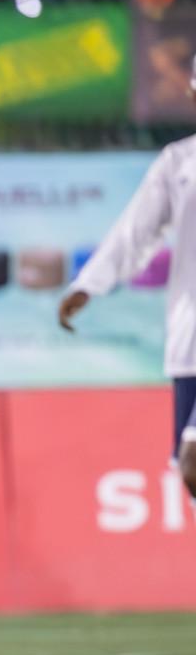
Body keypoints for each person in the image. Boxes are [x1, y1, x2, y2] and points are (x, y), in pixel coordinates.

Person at [59, 53, 196, 494]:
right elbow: (136, 231)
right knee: (189, 473)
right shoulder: (180, 163)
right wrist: (89, 283)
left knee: (194, 461)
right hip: (189, 344)